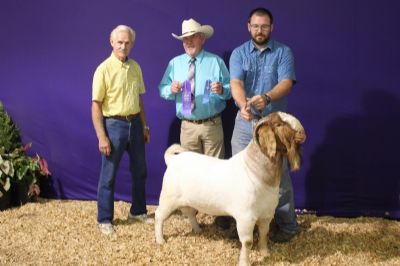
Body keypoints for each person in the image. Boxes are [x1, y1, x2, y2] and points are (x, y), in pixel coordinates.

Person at [229, 7, 298, 243]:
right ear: (249, 27)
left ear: (272, 27)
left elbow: (287, 82)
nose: (260, 30)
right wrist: (242, 105)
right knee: (240, 175)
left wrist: (267, 97)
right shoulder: (239, 53)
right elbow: (236, 82)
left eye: (264, 26)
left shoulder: (283, 52)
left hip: (274, 124)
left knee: (279, 177)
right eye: (256, 26)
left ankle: (287, 227)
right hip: (245, 121)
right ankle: (242, 224)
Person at [92, 25, 153, 235]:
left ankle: (137, 211)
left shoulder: (136, 67)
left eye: (127, 43)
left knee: (140, 171)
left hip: (135, 123)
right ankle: (105, 219)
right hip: (114, 125)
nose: (123, 46)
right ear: (111, 42)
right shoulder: (103, 69)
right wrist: (102, 136)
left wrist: (144, 125)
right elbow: (96, 105)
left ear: (132, 44)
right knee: (108, 176)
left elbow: (139, 99)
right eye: (119, 42)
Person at [159, 18, 231, 159]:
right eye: (185, 39)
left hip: (212, 125)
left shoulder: (216, 62)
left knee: (214, 171)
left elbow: (230, 89)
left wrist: (222, 90)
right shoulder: (174, 63)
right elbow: (162, 89)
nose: (189, 42)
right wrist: (170, 90)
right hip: (188, 128)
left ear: (202, 39)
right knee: (190, 174)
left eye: (193, 37)